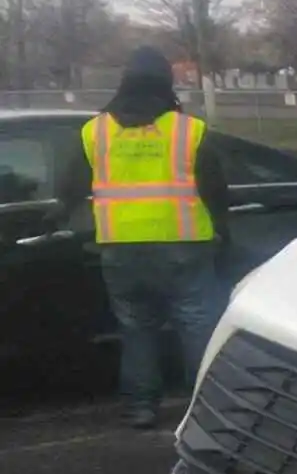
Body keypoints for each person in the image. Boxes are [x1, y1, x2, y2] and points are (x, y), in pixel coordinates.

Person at [55, 48, 235, 429]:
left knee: (137, 330)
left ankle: (140, 407)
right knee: (197, 327)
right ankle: (206, 409)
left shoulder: (95, 131)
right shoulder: (189, 131)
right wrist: (223, 230)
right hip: (184, 247)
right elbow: (216, 189)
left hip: (121, 250)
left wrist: (61, 213)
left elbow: (69, 187)